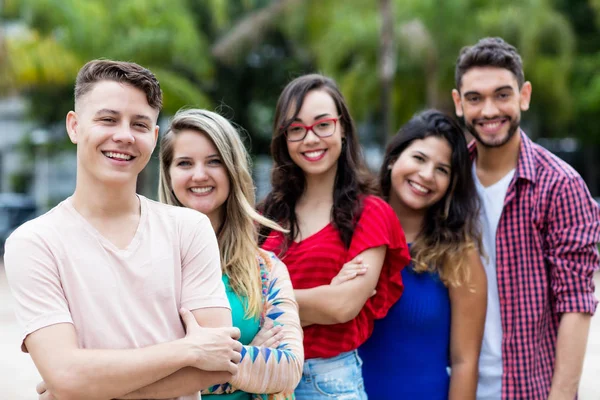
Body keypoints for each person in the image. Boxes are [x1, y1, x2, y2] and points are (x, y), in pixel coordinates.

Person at [4, 60, 243, 400]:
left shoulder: (188, 229)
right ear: (74, 126)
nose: (125, 135)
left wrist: (83, 387)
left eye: (140, 124)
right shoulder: (34, 243)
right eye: (108, 119)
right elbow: (66, 375)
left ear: (155, 137)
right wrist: (187, 350)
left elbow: (218, 365)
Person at [451, 37, 600, 399]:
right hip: (456, 386)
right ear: (458, 102)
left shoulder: (560, 186)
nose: (488, 111)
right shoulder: (448, 182)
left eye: (502, 95)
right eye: (475, 98)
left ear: (524, 95)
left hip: (531, 389)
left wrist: (562, 395)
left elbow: (576, 303)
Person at [259, 74, 411, 399]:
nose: (310, 138)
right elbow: (235, 295)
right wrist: (322, 294)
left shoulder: (371, 213)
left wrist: (265, 302)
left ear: (342, 127)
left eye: (323, 124)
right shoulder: (266, 215)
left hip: (326, 384)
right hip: (263, 378)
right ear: (284, 138)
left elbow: (342, 306)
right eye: (296, 129)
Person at [158, 108, 304, 400]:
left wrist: (184, 369)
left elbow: (288, 368)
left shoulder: (266, 269)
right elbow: (120, 367)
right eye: (185, 163)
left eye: (214, 161)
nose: (199, 175)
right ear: (169, 174)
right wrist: (249, 359)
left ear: (232, 170)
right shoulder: (144, 262)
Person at [356, 109, 487, 399]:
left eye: (442, 170)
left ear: (451, 185)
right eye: (419, 158)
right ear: (393, 159)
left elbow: (466, 363)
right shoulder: (352, 229)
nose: (426, 175)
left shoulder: (459, 256)